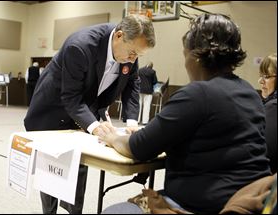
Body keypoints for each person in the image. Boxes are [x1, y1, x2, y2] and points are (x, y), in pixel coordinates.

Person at [100, 13, 271, 214]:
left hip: (202, 207)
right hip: (252, 201)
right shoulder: (250, 93)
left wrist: (111, 137)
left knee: (116, 211)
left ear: (196, 56)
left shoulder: (196, 94)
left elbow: (138, 148)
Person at [24, 14, 155, 214]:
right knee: (51, 168)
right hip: (54, 107)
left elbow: (132, 83)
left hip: (85, 107)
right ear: (119, 36)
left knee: (79, 163)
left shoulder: (130, 49)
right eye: (132, 53)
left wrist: (131, 121)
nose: (134, 59)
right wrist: (95, 127)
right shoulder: (80, 46)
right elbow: (70, 97)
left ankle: (74, 211)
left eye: (138, 55)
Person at [258, 53, 277, 173]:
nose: (260, 81)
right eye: (261, 76)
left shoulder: (274, 106)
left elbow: (266, 153)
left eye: (266, 76)